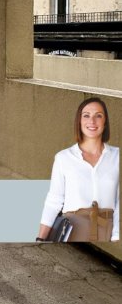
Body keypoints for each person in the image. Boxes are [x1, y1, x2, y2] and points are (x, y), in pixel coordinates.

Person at [37, 98, 119, 242]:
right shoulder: (63, 158)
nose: (92, 121)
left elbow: (119, 201)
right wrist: (40, 239)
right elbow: (54, 200)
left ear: (105, 122)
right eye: (86, 115)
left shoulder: (117, 156)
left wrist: (116, 236)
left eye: (98, 116)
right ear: (79, 121)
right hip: (72, 231)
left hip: (108, 232)